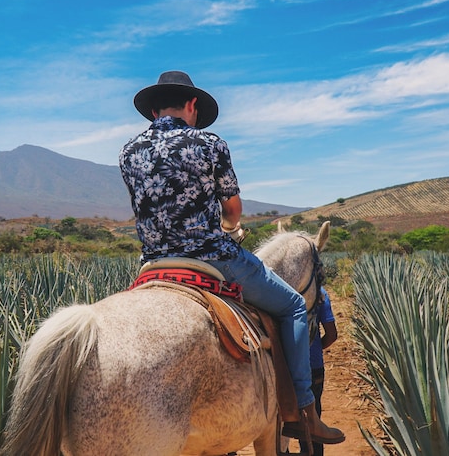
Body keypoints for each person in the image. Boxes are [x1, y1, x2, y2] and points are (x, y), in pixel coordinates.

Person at [118, 70, 345, 445]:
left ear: (153, 110)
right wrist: (225, 225)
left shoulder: (128, 151)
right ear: (192, 105)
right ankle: (303, 411)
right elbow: (233, 211)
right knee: (290, 304)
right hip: (211, 257)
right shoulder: (210, 144)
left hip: (154, 262)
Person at [299, 287, 338, 456]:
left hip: (282, 366)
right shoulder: (320, 293)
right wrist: (315, 349)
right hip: (313, 366)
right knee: (313, 416)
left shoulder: (280, 289)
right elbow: (331, 334)